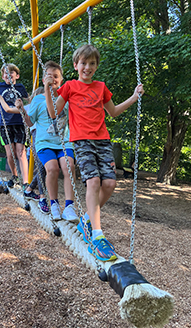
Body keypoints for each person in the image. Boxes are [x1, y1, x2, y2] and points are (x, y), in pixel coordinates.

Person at [45, 44, 145, 261]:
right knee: (93, 182)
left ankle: (87, 219)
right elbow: (54, 112)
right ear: (75, 65)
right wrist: (47, 88)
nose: (87, 67)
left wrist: (134, 97)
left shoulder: (100, 88)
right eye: (83, 63)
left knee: (109, 184)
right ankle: (97, 235)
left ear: (96, 67)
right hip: (82, 142)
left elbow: (114, 112)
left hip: (102, 141)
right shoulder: (70, 86)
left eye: (92, 64)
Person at [17, 61, 79, 223]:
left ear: (61, 80)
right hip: (44, 142)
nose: (53, 79)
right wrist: (23, 111)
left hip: (64, 141)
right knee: (52, 168)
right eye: (49, 76)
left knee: (69, 166)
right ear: (44, 80)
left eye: (56, 76)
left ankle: (70, 206)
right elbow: (30, 123)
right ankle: (54, 204)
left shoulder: (66, 96)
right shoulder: (38, 99)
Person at [0, 87, 49, 214]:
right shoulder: (31, 106)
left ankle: (29, 189)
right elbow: (8, 109)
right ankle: (42, 196)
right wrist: (0, 98)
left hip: (50, 138)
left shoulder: (52, 105)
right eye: (41, 96)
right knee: (42, 166)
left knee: (46, 167)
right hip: (37, 137)